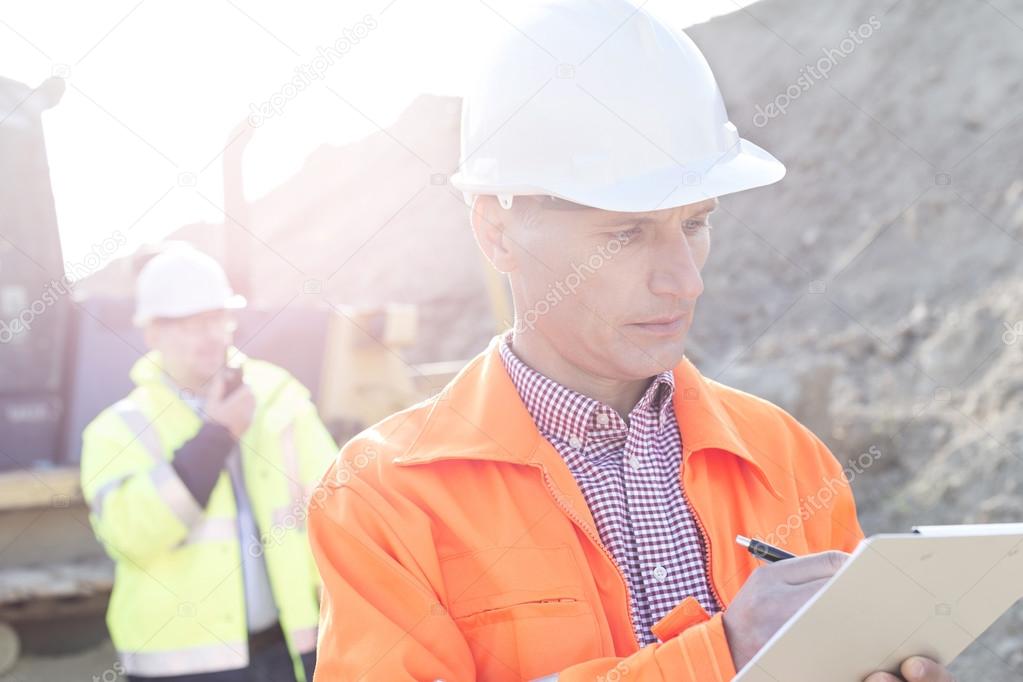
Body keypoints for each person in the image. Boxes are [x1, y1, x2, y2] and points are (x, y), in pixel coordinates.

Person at [308, 1, 955, 680]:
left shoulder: (788, 458)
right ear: (497, 232)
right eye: (624, 233)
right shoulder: (383, 498)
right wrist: (718, 655)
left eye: (695, 224)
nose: (684, 281)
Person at [80, 244, 335, 682]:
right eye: (191, 324)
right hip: (183, 668)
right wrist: (215, 437)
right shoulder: (119, 429)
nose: (211, 335)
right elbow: (130, 536)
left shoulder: (277, 395)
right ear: (153, 333)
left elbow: (335, 505)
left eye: (217, 318)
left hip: (288, 651)